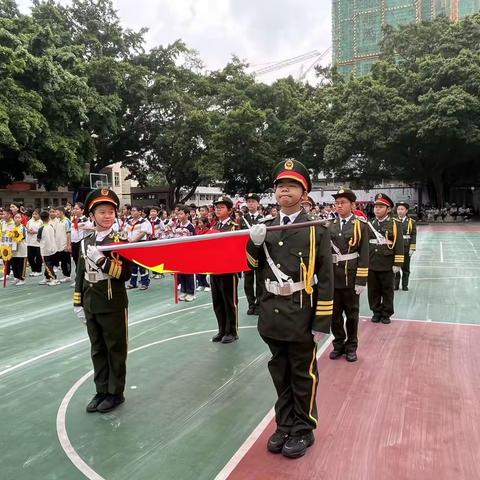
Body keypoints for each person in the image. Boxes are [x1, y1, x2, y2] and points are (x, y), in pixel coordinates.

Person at [247, 159, 333, 459]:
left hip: (301, 313)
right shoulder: (266, 228)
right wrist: (253, 244)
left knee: (302, 374)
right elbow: (252, 267)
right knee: (279, 373)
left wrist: (322, 321)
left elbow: (326, 277)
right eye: (281, 185)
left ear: (304, 193)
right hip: (272, 314)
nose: (285, 189)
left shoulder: (316, 229)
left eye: (293, 184)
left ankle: (303, 428)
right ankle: (284, 423)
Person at [73, 188, 132, 413]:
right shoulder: (85, 241)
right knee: (97, 349)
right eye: (102, 212)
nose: (107, 216)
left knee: (115, 349)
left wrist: (102, 261)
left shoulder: (119, 240)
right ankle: (101, 389)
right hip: (91, 303)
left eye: (111, 212)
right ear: (92, 214)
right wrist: (77, 302)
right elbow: (80, 273)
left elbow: (124, 274)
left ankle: (115, 392)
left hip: (112, 303)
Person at [328, 188, 369, 362]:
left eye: (343, 202)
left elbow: (364, 254)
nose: (339, 206)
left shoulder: (360, 225)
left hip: (351, 277)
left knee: (352, 316)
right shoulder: (329, 224)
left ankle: (351, 346)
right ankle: (338, 344)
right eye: (337, 203)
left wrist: (361, 280)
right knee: (334, 316)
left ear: (352, 205)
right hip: (333, 277)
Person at [367, 194, 404, 324]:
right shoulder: (370, 223)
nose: (377, 209)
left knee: (387, 290)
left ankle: (386, 313)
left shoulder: (394, 224)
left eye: (381, 207)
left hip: (387, 263)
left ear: (388, 209)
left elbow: (399, 243)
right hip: (372, 262)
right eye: (376, 207)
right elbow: (366, 244)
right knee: (373, 290)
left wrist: (398, 263)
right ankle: (376, 311)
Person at [210, 196, 240, 344]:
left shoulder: (235, 227)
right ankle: (221, 329)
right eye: (216, 207)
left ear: (229, 210)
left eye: (221, 207)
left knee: (229, 302)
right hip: (214, 269)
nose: (218, 209)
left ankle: (231, 331)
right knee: (217, 302)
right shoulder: (213, 227)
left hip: (228, 270)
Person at [241, 193, 264, 315]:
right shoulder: (242, 219)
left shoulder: (263, 219)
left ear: (258, 204)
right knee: (248, 281)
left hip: (260, 254)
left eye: (253, 201)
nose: (251, 204)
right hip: (247, 254)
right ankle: (251, 304)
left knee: (260, 280)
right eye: (249, 202)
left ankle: (259, 305)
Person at [126, 206, 151, 290]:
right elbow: (125, 232)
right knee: (133, 265)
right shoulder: (129, 222)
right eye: (131, 211)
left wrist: (134, 241)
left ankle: (145, 283)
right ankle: (133, 283)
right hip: (131, 244)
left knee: (142, 264)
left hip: (140, 244)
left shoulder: (143, 222)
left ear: (140, 212)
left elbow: (143, 233)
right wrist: (128, 239)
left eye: (134, 211)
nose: (132, 212)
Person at [174, 205, 196, 301]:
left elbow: (194, 240)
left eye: (181, 214)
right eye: (178, 214)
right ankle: (183, 291)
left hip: (189, 253)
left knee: (189, 273)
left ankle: (191, 293)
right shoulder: (178, 226)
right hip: (179, 252)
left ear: (187, 215)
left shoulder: (191, 226)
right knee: (181, 273)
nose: (179, 215)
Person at [394, 202, 417, 291]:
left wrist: (412, 247)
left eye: (402, 209)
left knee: (406, 268)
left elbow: (413, 234)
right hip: (395, 247)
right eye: (398, 209)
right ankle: (395, 285)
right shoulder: (393, 220)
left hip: (406, 247)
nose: (400, 211)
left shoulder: (411, 222)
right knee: (395, 267)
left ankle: (404, 285)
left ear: (406, 210)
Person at [38, 211, 59, 285]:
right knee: (50, 264)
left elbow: (38, 239)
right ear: (49, 217)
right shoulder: (51, 226)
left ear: (41, 218)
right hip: (53, 248)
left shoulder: (41, 229)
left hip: (45, 249)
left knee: (47, 265)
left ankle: (54, 278)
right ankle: (47, 277)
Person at [10, 213, 28, 285]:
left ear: (21, 219)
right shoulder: (11, 227)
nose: (17, 219)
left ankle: (22, 279)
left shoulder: (23, 228)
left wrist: (13, 236)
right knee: (14, 264)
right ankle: (16, 278)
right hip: (13, 250)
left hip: (22, 250)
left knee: (21, 265)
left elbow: (22, 237)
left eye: (18, 217)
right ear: (13, 218)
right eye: (15, 217)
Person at [26, 209, 43, 277]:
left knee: (38, 257)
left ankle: (39, 271)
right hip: (30, 242)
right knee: (30, 257)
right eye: (33, 214)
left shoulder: (41, 222)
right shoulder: (30, 221)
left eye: (36, 214)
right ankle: (33, 270)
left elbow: (43, 231)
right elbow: (26, 227)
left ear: (39, 215)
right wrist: (28, 230)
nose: (34, 215)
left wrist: (35, 232)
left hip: (38, 243)